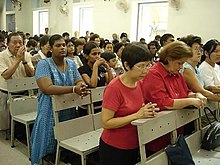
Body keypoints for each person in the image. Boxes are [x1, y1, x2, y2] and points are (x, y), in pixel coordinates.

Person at [30, 34, 88, 165]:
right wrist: (73, 89)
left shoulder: (71, 64)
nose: (62, 48)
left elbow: (78, 79)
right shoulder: (44, 64)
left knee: (66, 138)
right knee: (47, 139)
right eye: (58, 45)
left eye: (64, 45)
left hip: (68, 107)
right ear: (50, 48)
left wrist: (81, 85)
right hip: (48, 108)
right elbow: (47, 88)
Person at [142, 41, 206, 153]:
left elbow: (186, 92)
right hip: (158, 132)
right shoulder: (153, 74)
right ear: (170, 58)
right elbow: (164, 103)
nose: (181, 67)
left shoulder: (176, 74)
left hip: (176, 130)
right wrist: (191, 100)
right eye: (179, 63)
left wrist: (196, 95)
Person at [99, 44, 159, 165]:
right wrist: (137, 115)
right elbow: (106, 122)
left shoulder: (139, 83)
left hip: (134, 142)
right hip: (116, 147)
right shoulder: (114, 88)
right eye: (141, 66)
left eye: (147, 65)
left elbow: (140, 108)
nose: (145, 70)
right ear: (126, 65)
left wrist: (148, 110)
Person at [0, 32, 34, 131]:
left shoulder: (27, 55)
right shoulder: (1, 56)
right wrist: (18, 60)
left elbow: (31, 74)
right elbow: (6, 75)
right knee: (5, 125)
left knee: (22, 124)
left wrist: (23, 60)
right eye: (14, 43)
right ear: (8, 44)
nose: (18, 45)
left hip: (24, 93)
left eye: (20, 42)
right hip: (6, 93)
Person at [180, 35, 220, 101]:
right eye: (196, 49)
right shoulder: (186, 69)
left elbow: (203, 88)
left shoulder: (195, 68)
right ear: (186, 51)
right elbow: (200, 91)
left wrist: (211, 89)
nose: (199, 52)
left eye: (200, 49)